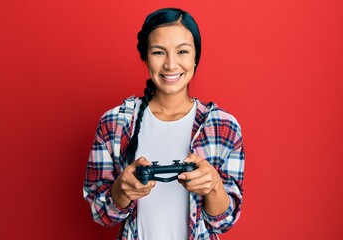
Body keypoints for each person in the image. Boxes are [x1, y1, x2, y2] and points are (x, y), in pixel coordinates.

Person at [83, 8, 244, 240]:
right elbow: (100, 214)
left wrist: (214, 185)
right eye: (159, 52)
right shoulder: (115, 123)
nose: (170, 64)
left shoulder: (223, 126)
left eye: (182, 51)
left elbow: (224, 222)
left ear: (195, 56)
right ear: (145, 56)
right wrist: (121, 189)